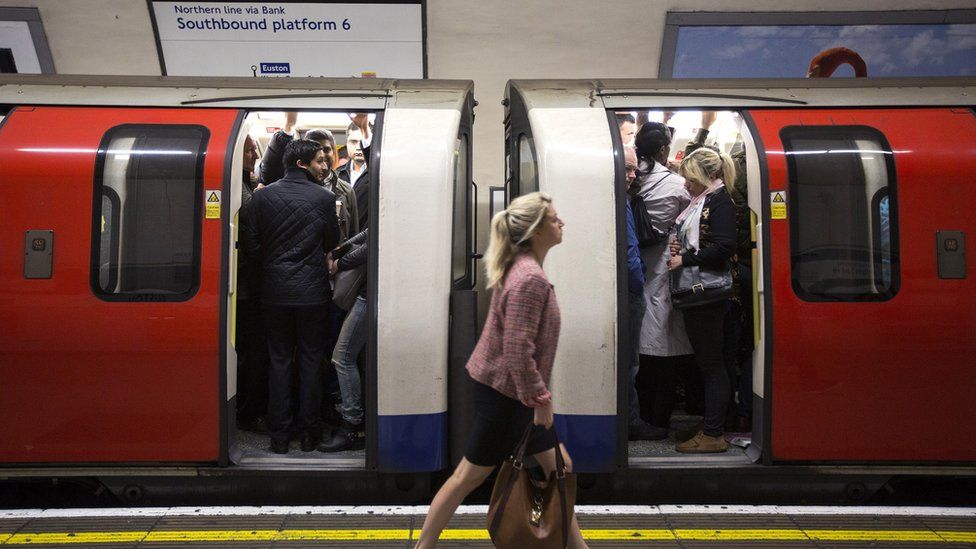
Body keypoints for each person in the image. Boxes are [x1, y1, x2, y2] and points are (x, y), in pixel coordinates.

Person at [414, 192, 588, 549]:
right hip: (508, 395)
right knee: (468, 475)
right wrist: (540, 399)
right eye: (555, 219)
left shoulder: (523, 268)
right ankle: (424, 545)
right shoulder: (530, 279)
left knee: (561, 467)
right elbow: (516, 350)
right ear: (537, 230)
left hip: (512, 392)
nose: (562, 223)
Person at [244, 139, 340, 454]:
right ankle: (310, 433)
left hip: (274, 293)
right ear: (301, 164)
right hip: (312, 293)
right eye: (317, 159)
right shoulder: (325, 198)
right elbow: (331, 241)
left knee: (279, 361)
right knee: (312, 361)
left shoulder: (263, 197)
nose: (322, 164)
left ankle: (280, 437)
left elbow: (253, 247)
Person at [668, 147, 739, 453]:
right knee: (712, 362)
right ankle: (714, 423)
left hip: (709, 296)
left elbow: (724, 246)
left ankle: (713, 434)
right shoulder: (706, 200)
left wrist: (686, 258)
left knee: (712, 364)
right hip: (707, 296)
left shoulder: (719, 201)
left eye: (692, 180)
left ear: (710, 176)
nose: (686, 185)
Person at [633, 122, 693, 436]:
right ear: (661, 150)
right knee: (664, 347)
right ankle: (659, 421)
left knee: (638, 350)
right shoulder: (675, 184)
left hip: (632, 266)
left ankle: (640, 416)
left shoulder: (629, 177)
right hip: (661, 267)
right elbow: (692, 214)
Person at [318, 228, 369, 452]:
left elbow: (370, 245)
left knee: (343, 356)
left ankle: (352, 427)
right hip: (369, 290)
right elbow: (369, 233)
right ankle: (354, 422)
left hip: (369, 295)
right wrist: (338, 251)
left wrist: (338, 263)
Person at [623, 145, 661, 441]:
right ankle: (631, 423)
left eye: (634, 169)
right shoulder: (618, 201)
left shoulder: (621, 198)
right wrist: (637, 284)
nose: (632, 175)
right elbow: (629, 251)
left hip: (628, 290)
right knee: (630, 363)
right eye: (626, 168)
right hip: (628, 293)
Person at [236, 134, 269, 433]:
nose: (253, 154)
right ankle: (247, 413)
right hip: (245, 288)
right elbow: (247, 219)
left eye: (254, 149)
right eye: (247, 150)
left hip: (249, 285)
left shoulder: (251, 183)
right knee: (252, 355)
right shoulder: (240, 188)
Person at [305, 128, 359, 242]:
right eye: (315, 150)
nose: (321, 155)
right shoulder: (296, 188)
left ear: (333, 153)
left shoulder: (347, 191)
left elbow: (353, 234)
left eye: (326, 149)